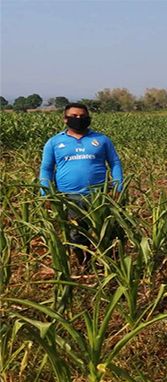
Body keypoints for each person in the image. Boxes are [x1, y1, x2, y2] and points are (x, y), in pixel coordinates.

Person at [39, 102, 123, 264]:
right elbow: (46, 169)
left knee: (106, 232)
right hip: (70, 198)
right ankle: (84, 264)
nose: (79, 119)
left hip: (99, 195)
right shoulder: (54, 142)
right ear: (65, 119)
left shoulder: (101, 140)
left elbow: (115, 163)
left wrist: (118, 186)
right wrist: (46, 193)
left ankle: (108, 265)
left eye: (83, 117)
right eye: (74, 116)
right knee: (76, 233)